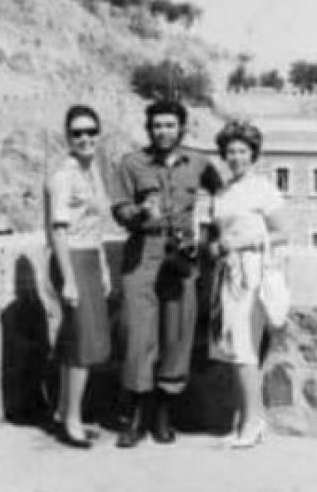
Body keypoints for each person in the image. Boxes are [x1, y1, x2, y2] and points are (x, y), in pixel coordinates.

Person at [111, 99, 221, 448]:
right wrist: (140, 213)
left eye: (170, 125)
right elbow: (119, 210)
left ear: (181, 128)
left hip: (182, 258)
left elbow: (225, 196)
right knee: (137, 338)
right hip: (143, 254)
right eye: (157, 125)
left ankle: (163, 415)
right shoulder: (132, 164)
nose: (163, 131)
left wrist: (208, 238)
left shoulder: (199, 162)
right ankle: (135, 418)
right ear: (149, 129)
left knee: (176, 337)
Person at [207, 120, 287, 449]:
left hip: (254, 272)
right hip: (229, 274)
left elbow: (283, 232)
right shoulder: (223, 192)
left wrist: (241, 244)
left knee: (245, 349)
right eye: (231, 151)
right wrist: (217, 246)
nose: (236, 156)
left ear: (253, 154)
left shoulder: (264, 189)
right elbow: (219, 234)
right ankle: (244, 419)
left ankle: (253, 423)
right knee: (235, 349)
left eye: (242, 150)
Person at [44, 104, 114, 449]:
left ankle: (63, 410)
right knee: (83, 344)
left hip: (89, 258)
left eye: (90, 132)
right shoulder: (63, 176)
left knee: (77, 340)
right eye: (77, 133)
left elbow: (96, 226)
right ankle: (72, 420)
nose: (85, 138)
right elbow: (58, 232)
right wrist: (69, 279)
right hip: (70, 259)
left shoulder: (93, 172)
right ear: (67, 138)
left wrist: (101, 265)